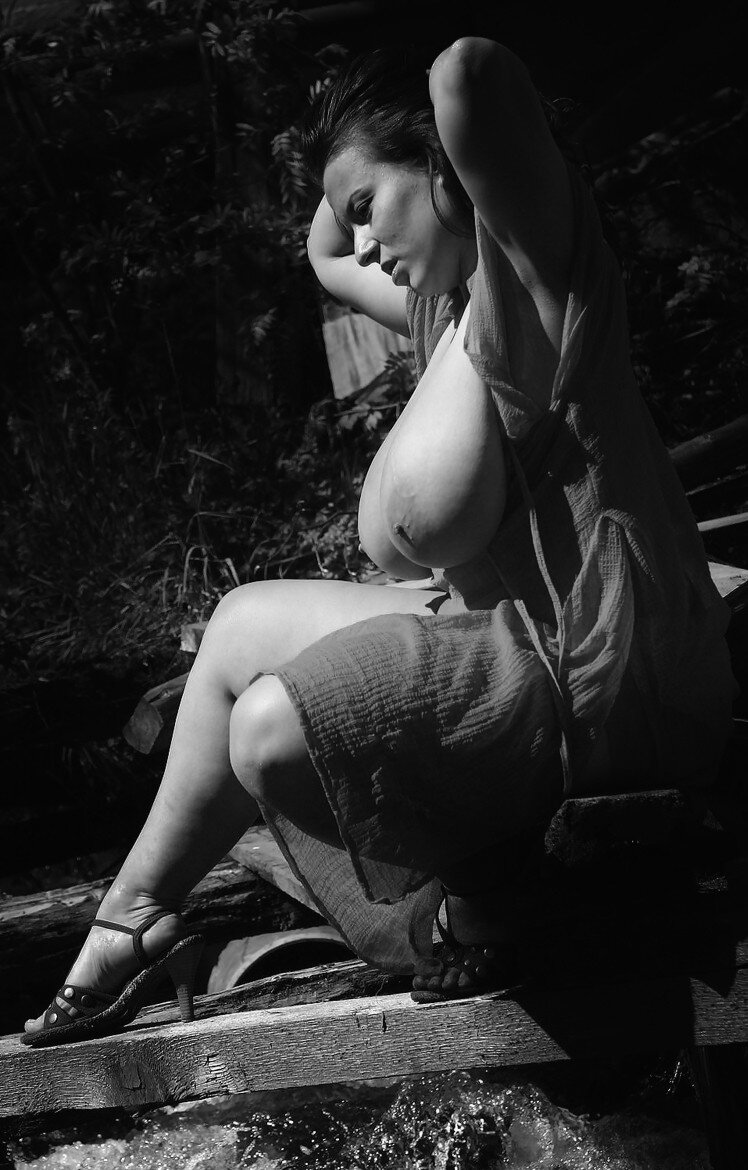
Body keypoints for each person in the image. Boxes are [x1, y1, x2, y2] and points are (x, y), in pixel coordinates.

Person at [23, 37, 736, 1046]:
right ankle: (131, 921)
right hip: (506, 638)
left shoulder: (536, 269)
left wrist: (400, 106)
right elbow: (321, 257)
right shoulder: (438, 305)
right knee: (238, 629)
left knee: (272, 729)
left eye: (368, 205)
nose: (360, 243)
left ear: (443, 167)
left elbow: (469, 74)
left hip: (600, 675)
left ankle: (479, 907)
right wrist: (331, 137)